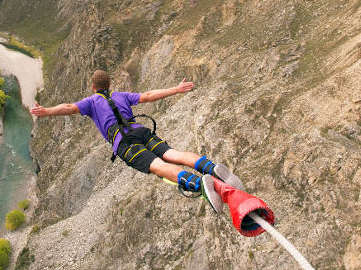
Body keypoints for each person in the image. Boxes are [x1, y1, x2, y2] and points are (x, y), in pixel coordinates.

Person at [30, 69, 243, 211]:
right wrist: (175, 90)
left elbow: (68, 108)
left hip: (124, 142)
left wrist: (46, 111)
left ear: (93, 87)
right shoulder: (121, 95)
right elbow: (148, 95)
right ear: (109, 84)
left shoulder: (92, 101)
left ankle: (199, 184)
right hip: (140, 129)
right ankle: (212, 168)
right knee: (173, 154)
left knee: (158, 166)